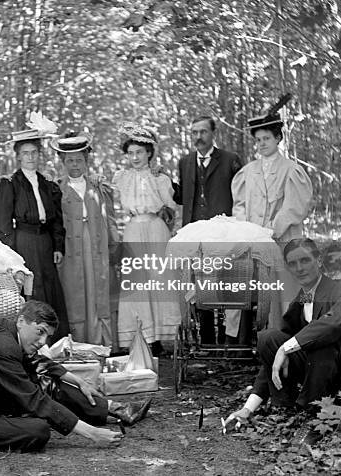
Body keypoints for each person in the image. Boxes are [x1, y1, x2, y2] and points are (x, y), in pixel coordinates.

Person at [0, 300, 151, 452]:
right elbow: (34, 399)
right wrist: (91, 434)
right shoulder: (2, 347)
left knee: (52, 385)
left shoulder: (4, 328)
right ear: (22, 321)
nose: (42, 342)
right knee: (37, 431)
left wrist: (76, 379)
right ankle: (98, 418)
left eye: (47, 336)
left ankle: (116, 409)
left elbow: (36, 362)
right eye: (39, 333)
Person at [224, 238, 341, 429]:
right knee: (269, 338)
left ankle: (312, 416)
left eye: (304, 260)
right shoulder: (302, 298)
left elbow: (334, 322)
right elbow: (274, 354)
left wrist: (287, 348)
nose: (299, 268)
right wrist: (248, 408)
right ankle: (285, 407)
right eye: (293, 264)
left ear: (319, 261)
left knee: (318, 343)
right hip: (319, 371)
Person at [229, 108, 313, 337]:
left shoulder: (291, 170)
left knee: (284, 291)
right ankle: (249, 342)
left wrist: (272, 230)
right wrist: (245, 229)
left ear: (278, 138)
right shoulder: (248, 172)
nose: (262, 144)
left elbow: (294, 206)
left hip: (283, 241)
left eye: (266, 138)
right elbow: (240, 206)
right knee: (249, 286)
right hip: (254, 242)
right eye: (258, 140)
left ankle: (286, 339)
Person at [0, 114, 69, 340]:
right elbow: (2, 222)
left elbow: (56, 219)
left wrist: (58, 246)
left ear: (39, 155)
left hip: (45, 241)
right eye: (25, 153)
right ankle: (30, 341)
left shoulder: (47, 184)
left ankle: (55, 340)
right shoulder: (10, 184)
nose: (30, 157)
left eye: (34, 152)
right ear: (17, 156)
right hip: (23, 241)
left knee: (50, 287)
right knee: (31, 288)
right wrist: (9, 254)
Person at [173, 115, 242, 343]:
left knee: (227, 282)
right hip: (196, 234)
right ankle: (208, 340)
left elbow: (240, 196)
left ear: (213, 134)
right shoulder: (185, 162)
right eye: (194, 132)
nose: (198, 137)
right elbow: (182, 196)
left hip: (224, 232)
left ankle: (229, 338)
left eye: (203, 132)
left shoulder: (230, 160)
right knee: (201, 285)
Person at [113, 123, 181, 353]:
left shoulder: (159, 178)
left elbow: (171, 207)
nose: (135, 157)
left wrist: (167, 215)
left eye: (139, 152)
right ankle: (142, 335)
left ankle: (162, 334)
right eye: (130, 153)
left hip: (155, 228)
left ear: (149, 152)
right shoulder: (122, 178)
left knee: (158, 277)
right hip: (133, 228)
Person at [51, 131, 120, 346]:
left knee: (99, 288)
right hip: (71, 247)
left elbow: (110, 219)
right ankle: (79, 342)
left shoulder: (99, 187)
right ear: (63, 162)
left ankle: (103, 341)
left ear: (86, 161)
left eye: (79, 160)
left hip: (96, 245)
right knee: (75, 291)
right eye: (69, 160)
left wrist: (114, 246)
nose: (75, 165)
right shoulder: (56, 188)